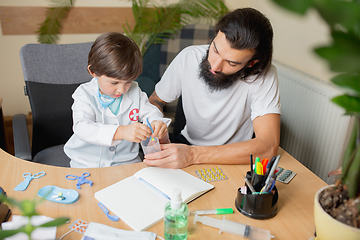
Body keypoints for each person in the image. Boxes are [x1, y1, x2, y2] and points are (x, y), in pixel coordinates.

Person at [146, 8, 281, 168]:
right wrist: (155, 124)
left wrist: (193, 155)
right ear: (215, 35)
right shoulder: (189, 57)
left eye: (231, 62)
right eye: (215, 50)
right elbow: (155, 100)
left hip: (235, 156)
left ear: (251, 63)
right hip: (186, 144)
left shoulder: (264, 75)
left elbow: (268, 147)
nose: (215, 66)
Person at [64, 32, 171, 168]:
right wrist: (120, 131)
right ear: (93, 72)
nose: (122, 89)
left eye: (128, 82)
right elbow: (82, 128)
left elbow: (150, 113)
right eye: (114, 83)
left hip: (126, 162)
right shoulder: (84, 94)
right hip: (87, 163)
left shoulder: (134, 91)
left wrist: (157, 122)